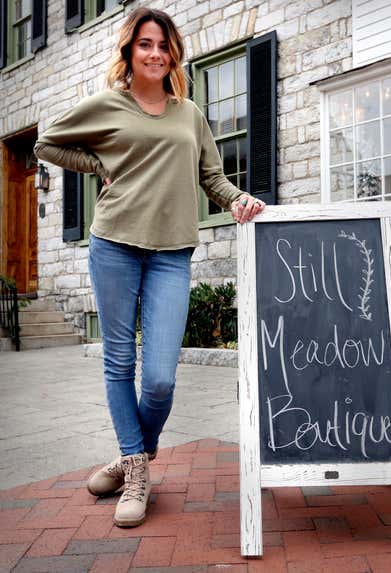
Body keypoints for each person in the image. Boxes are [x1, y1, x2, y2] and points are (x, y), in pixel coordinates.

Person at [33, 7, 264, 528]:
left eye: (163, 44)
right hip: (113, 244)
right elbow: (47, 143)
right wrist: (99, 166)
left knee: (159, 377)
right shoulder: (108, 106)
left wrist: (238, 201)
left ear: (172, 53)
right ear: (129, 52)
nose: (155, 53)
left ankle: (132, 453)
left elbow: (213, 178)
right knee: (120, 363)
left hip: (171, 254)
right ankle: (137, 470)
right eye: (145, 44)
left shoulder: (190, 114)